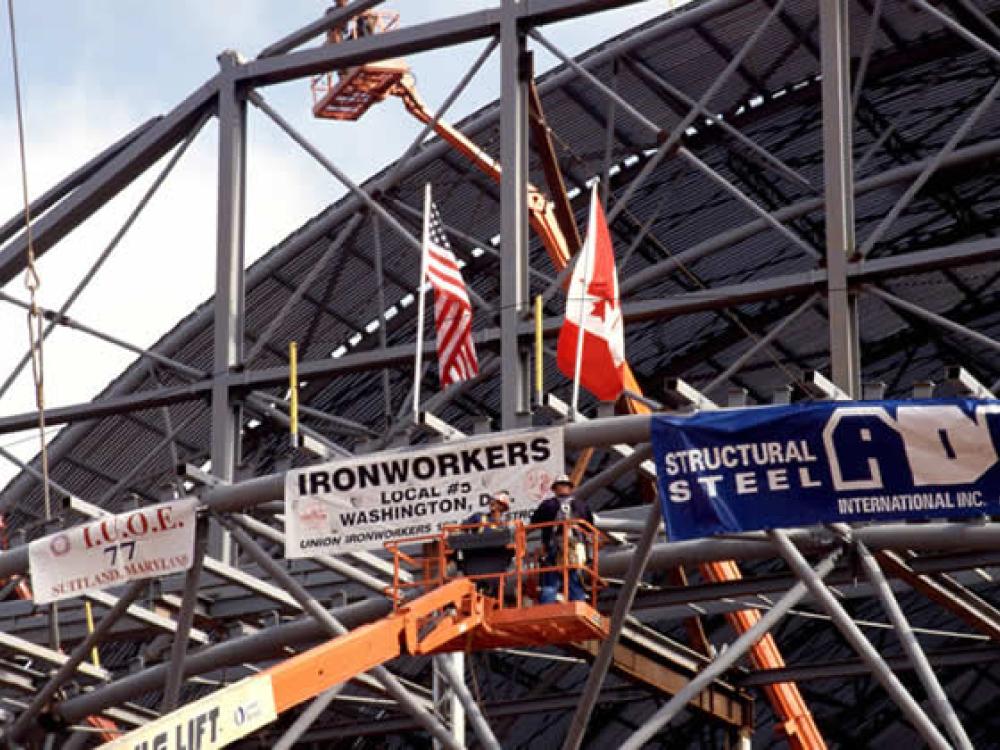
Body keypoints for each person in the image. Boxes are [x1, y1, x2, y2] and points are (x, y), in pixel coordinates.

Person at [530, 474, 594, 604]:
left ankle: (548, 606)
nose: (563, 488)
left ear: (555, 489)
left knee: (554, 580)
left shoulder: (548, 505)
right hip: (572, 548)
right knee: (571, 578)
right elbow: (590, 528)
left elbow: (534, 522)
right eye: (563, 485)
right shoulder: (580, 505)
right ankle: (577, 603)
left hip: (558, 547)